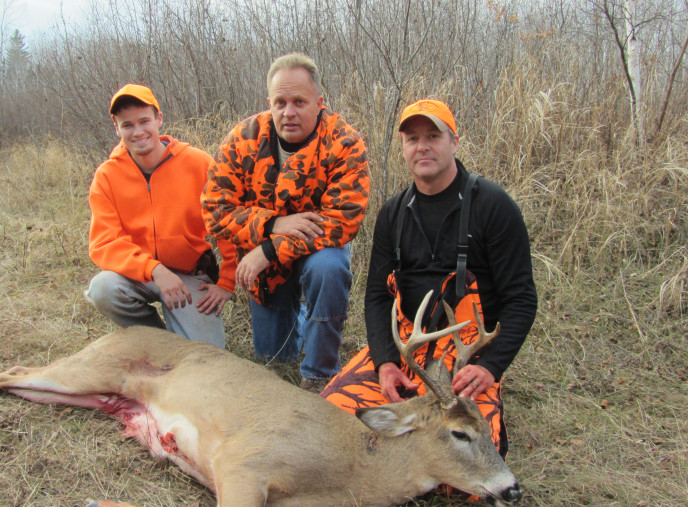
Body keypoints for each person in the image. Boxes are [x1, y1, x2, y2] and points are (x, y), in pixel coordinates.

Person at [322, 99, 537, 460]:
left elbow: (521, 299)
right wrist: (386, 364)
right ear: (403, 149)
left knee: (474, 459)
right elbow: (377, 296)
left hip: (465, 355)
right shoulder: (393, 214)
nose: (422, 146)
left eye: (433, 136)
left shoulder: (493, 206)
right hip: (408, 344)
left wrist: (489, 366)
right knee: (330, 420)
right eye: (412, 138)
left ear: (454, 142)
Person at [201, 53, 370, 392]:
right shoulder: (242, 139)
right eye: (280, 102)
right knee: (273, 360)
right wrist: (272, 224)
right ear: (269, 103)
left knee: (329, 267)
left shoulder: (344, 143)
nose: (288, 112)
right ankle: (304, 320)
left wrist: (268, 249)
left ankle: (319, 373)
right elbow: (215, 210)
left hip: (313, 249)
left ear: (319, 103)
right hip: (266, 266)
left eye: (299, 102)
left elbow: (341, 221)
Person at [85, 84, 235, 349]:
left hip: (190, 275)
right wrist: (154, 270)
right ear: (116, 128)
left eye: (144, 121)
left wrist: (226, 282)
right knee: (103, 288)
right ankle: (156, 339)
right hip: (138, 275)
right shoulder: (107, 176)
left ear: (159, 119)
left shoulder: (198, 163)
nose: (138, 131)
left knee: (207, 356)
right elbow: (104, 243)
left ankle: (177, 337)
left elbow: (227, 224)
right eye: (127, 125)